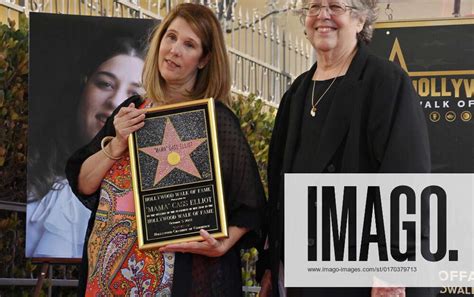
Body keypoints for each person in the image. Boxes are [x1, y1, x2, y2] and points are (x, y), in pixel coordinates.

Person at [65, 3, 265, 296]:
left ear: (204, 59)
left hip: (173, 282)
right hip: (105, 282)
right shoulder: (132, 109)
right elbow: (84, 184)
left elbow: (251, 207)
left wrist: (223, 243)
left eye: (189, 44)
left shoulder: (215, 120)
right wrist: (117, 143)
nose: (174, 50)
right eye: (171, 37)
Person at [259, 0, 433, 296]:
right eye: (314, 6)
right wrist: (271, 266)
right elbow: (280, 191)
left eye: (335, 6)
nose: (322, 15)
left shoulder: (385, 83)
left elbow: (407, 184)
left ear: (361, 20)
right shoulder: (297, 92)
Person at [26, 36, 146, 258]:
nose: (116, 100)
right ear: (82, 86)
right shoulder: (36, 183)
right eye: (105, 84)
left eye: (134, 94)